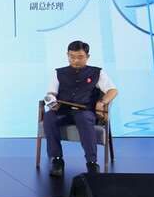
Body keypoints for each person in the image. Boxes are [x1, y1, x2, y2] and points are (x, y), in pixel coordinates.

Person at [43, 40, 118, 177]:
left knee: (84, 118)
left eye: (80, 57)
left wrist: (102, 102)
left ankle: (92, 163)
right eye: (72, 57)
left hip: (85, 111)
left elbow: (113, 90)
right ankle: (57, 160)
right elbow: (51, 93)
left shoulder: (97, 72)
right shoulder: (58, 73)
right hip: (63, 111)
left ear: (87, 56)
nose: (75, 60)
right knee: (49, 117)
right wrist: (52, 102)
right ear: (67, 55)